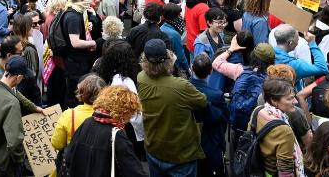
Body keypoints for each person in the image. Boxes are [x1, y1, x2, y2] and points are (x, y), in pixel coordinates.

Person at [138, 38, 207, 175]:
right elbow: (203, 102)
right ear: (169, 59)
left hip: (154, 148)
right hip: (180, 155)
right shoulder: (181, 86)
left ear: (145, 60)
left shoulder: (141, 78)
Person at [59, 85, 146, 177]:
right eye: (131, 113)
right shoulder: (117, 135)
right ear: (124, 111)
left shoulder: (87, 122)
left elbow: (70, 157)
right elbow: (135, 172)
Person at [255, 77, 305, 177]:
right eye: (290, 98)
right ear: (273, 100)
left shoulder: (258, 111)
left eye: (294, 97)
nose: (295, 101)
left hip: (262, 168)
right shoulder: (285, 130)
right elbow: (285, 169)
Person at [189, 53, 228, 176]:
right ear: (211, 71)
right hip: (211, 142)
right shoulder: (216, 95)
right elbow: (224, 119)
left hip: (189, 141)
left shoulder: (183, 90)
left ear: (191, 68)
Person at [51, 74, 107, 154]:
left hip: (75, 162)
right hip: (100, 163)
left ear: (81, 92)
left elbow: (57, 144)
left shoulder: (69, 115)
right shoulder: (111, 116)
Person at [272, 24, 329, 90]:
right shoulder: (294, 65)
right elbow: (322, 68)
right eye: (297, 40)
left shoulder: (268, 55)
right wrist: (312, 43)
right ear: (290, 43)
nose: (298, 42)